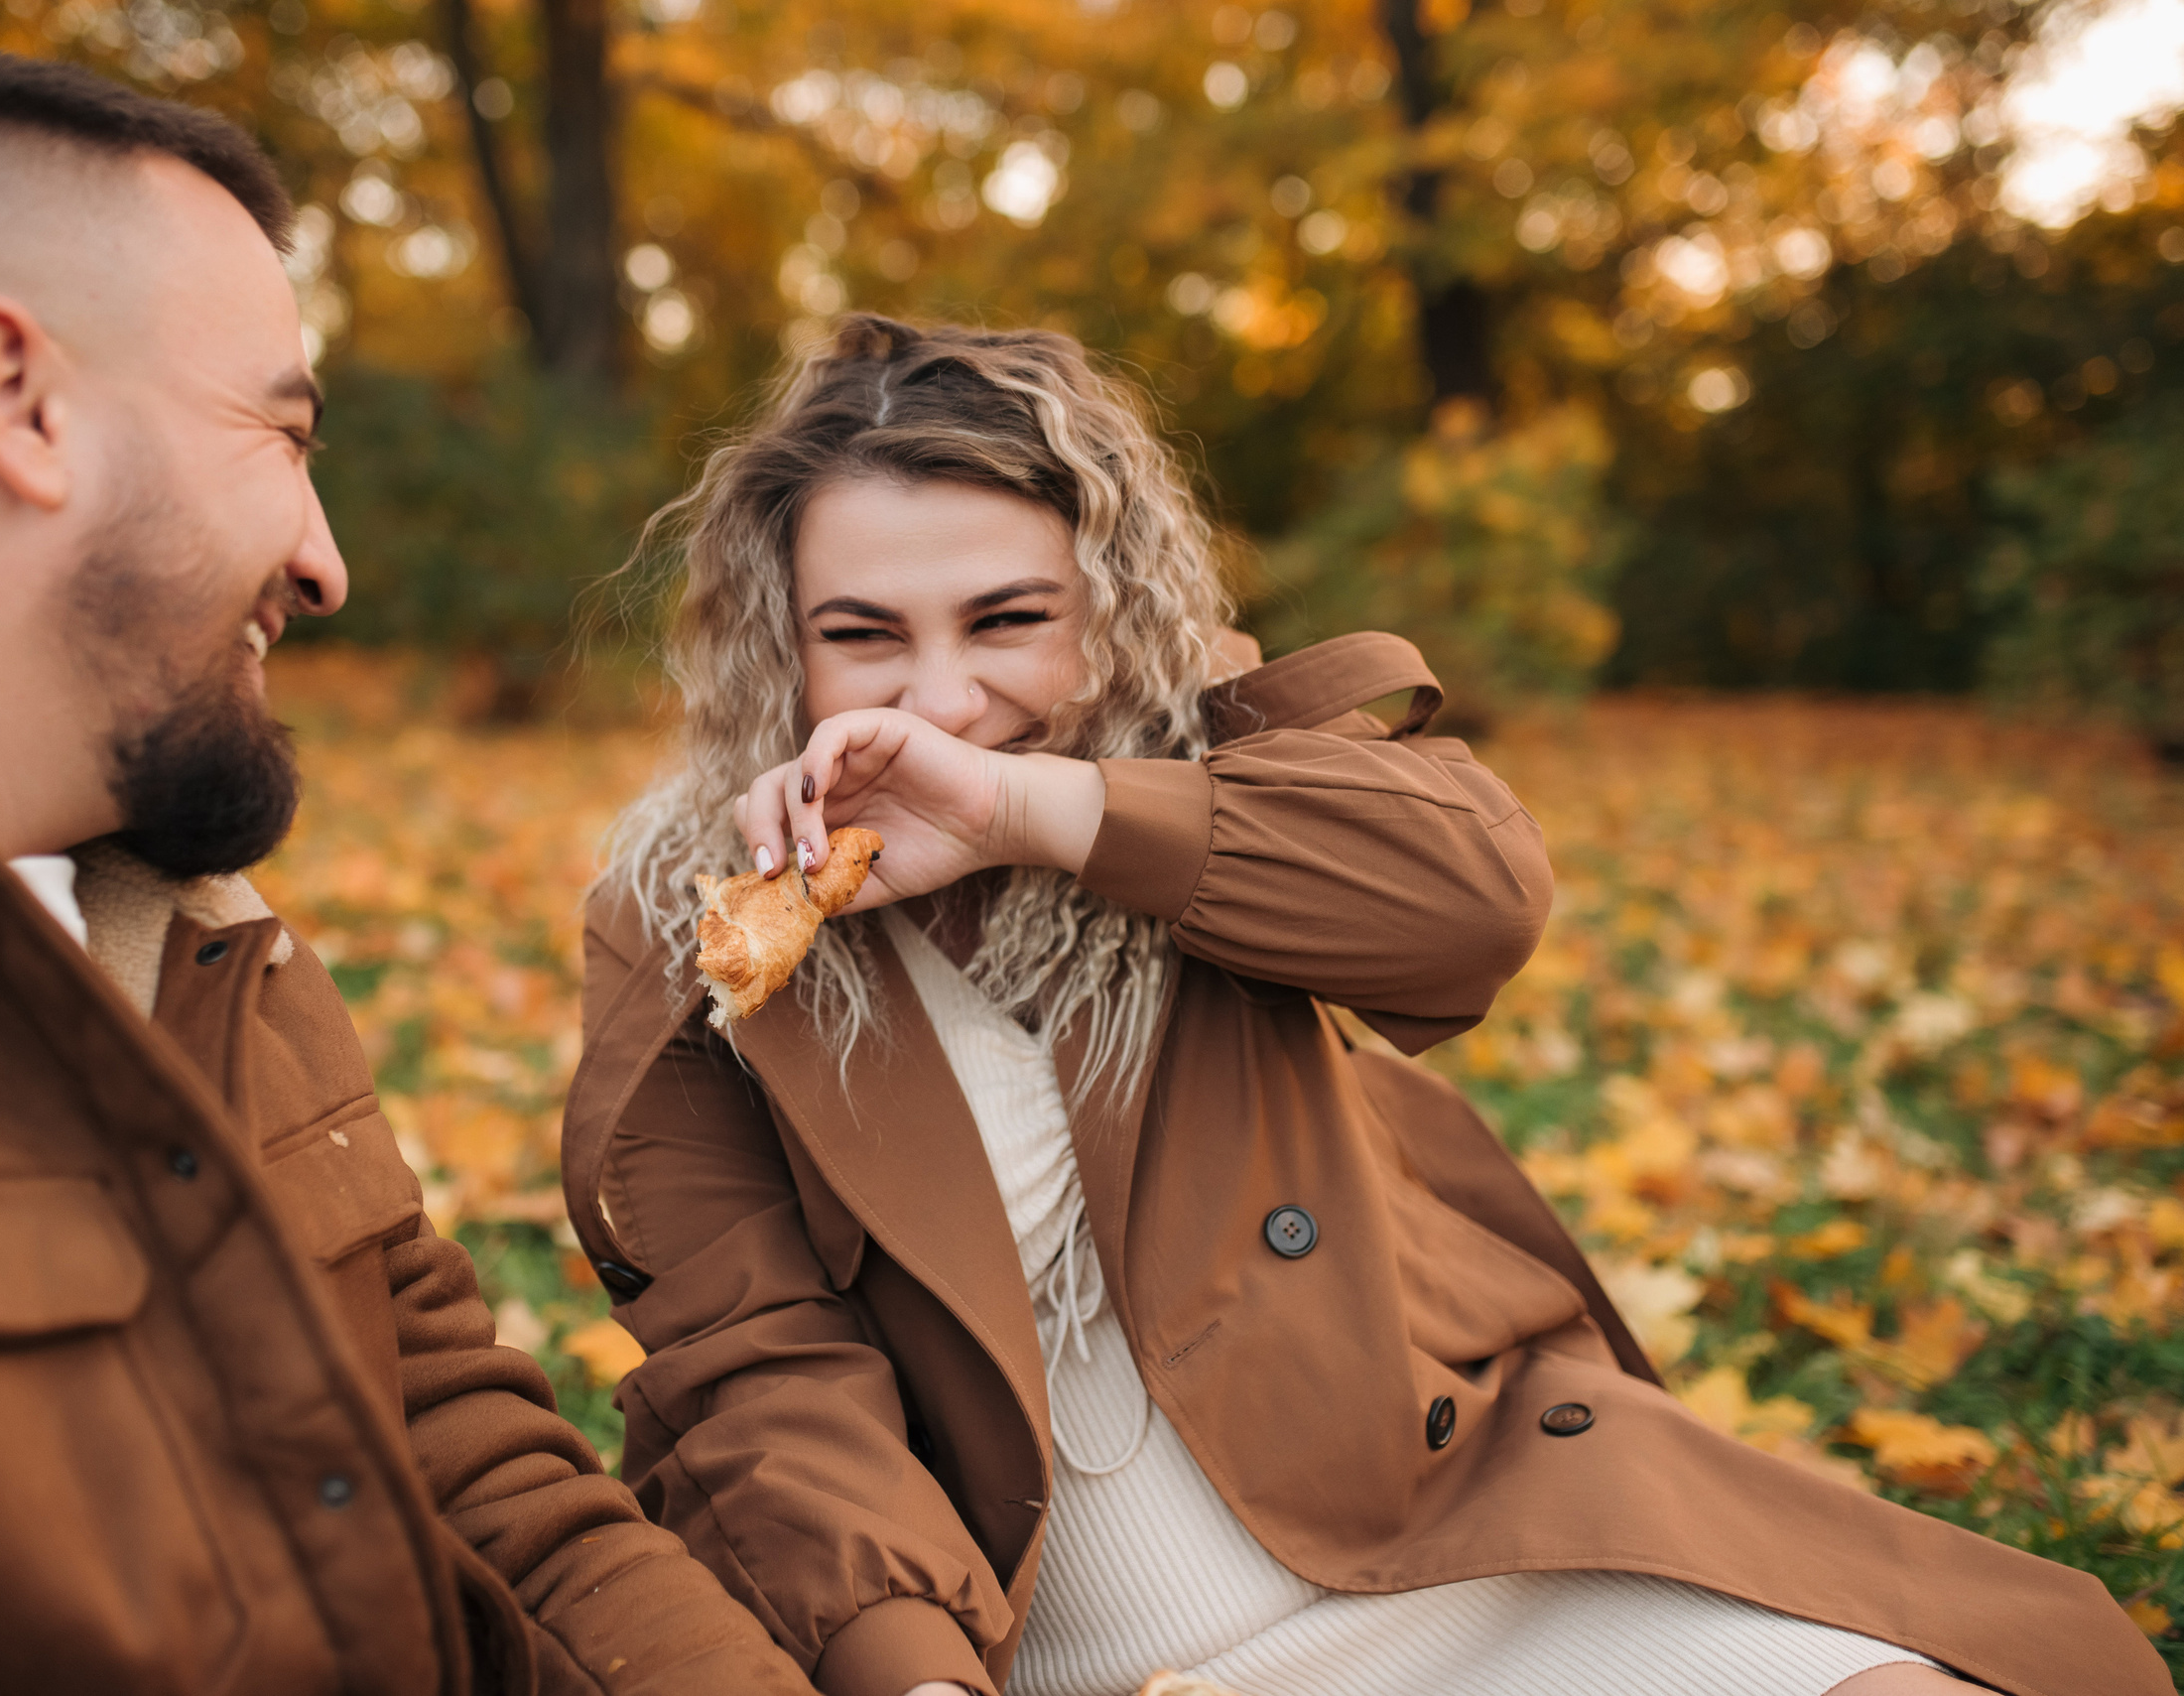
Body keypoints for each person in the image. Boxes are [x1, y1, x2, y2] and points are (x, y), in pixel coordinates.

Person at [560, 315, 2163, 1696]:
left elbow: (1472, 906)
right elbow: (757, 1359)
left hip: (1440, 1534)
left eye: (1006, 621)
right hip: (1034, 1635)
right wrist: (908, 1667)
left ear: (1104, 609)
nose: (941, 699)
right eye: (864, 638)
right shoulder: (693, 915)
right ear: (781, 641)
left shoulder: (1211, 774)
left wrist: (1029, 811)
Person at [0, 50, 813, 1695]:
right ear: (22, 401)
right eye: (280, 432)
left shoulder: (209, 938)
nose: (329, 563)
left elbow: (465, 1462)